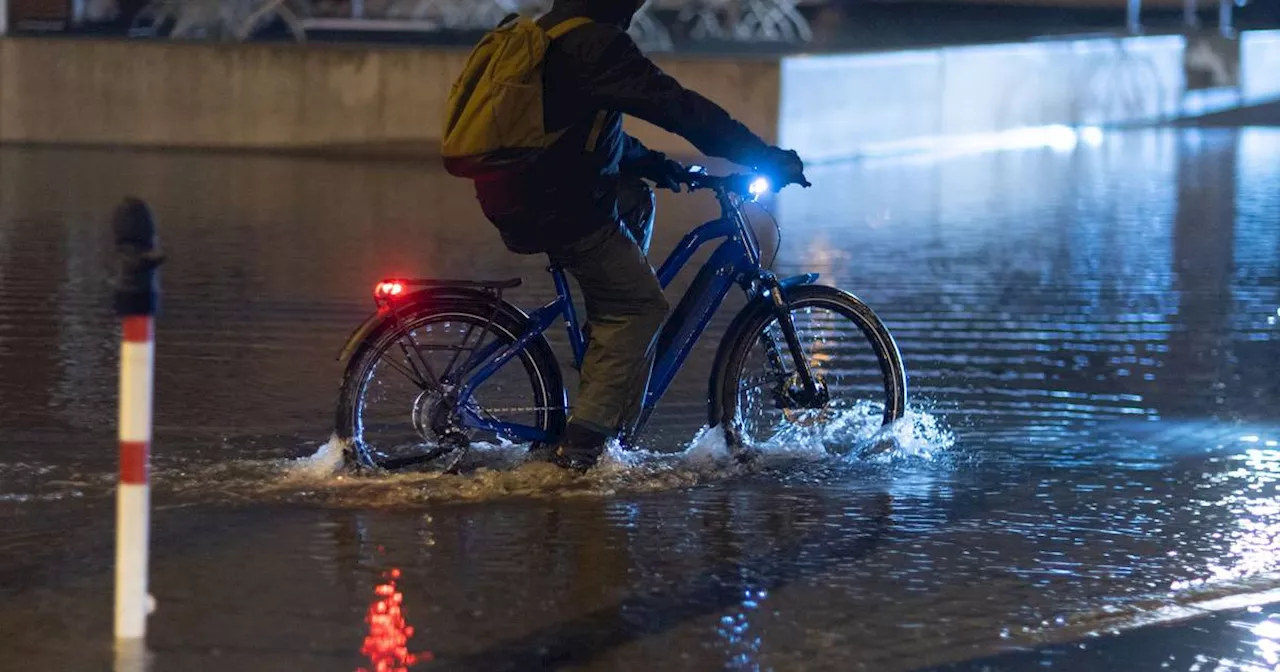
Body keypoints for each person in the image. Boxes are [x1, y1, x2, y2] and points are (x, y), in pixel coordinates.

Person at [468, 0, 808, 472]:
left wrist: (660, 166)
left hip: (527, 190)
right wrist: (761, 155)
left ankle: (608, 357)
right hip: (557, 204)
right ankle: (581, 450)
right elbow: (678, 108)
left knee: (635, 199)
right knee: (641, 307)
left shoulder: (552, 33)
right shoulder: (596, 44)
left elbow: (579, 137)